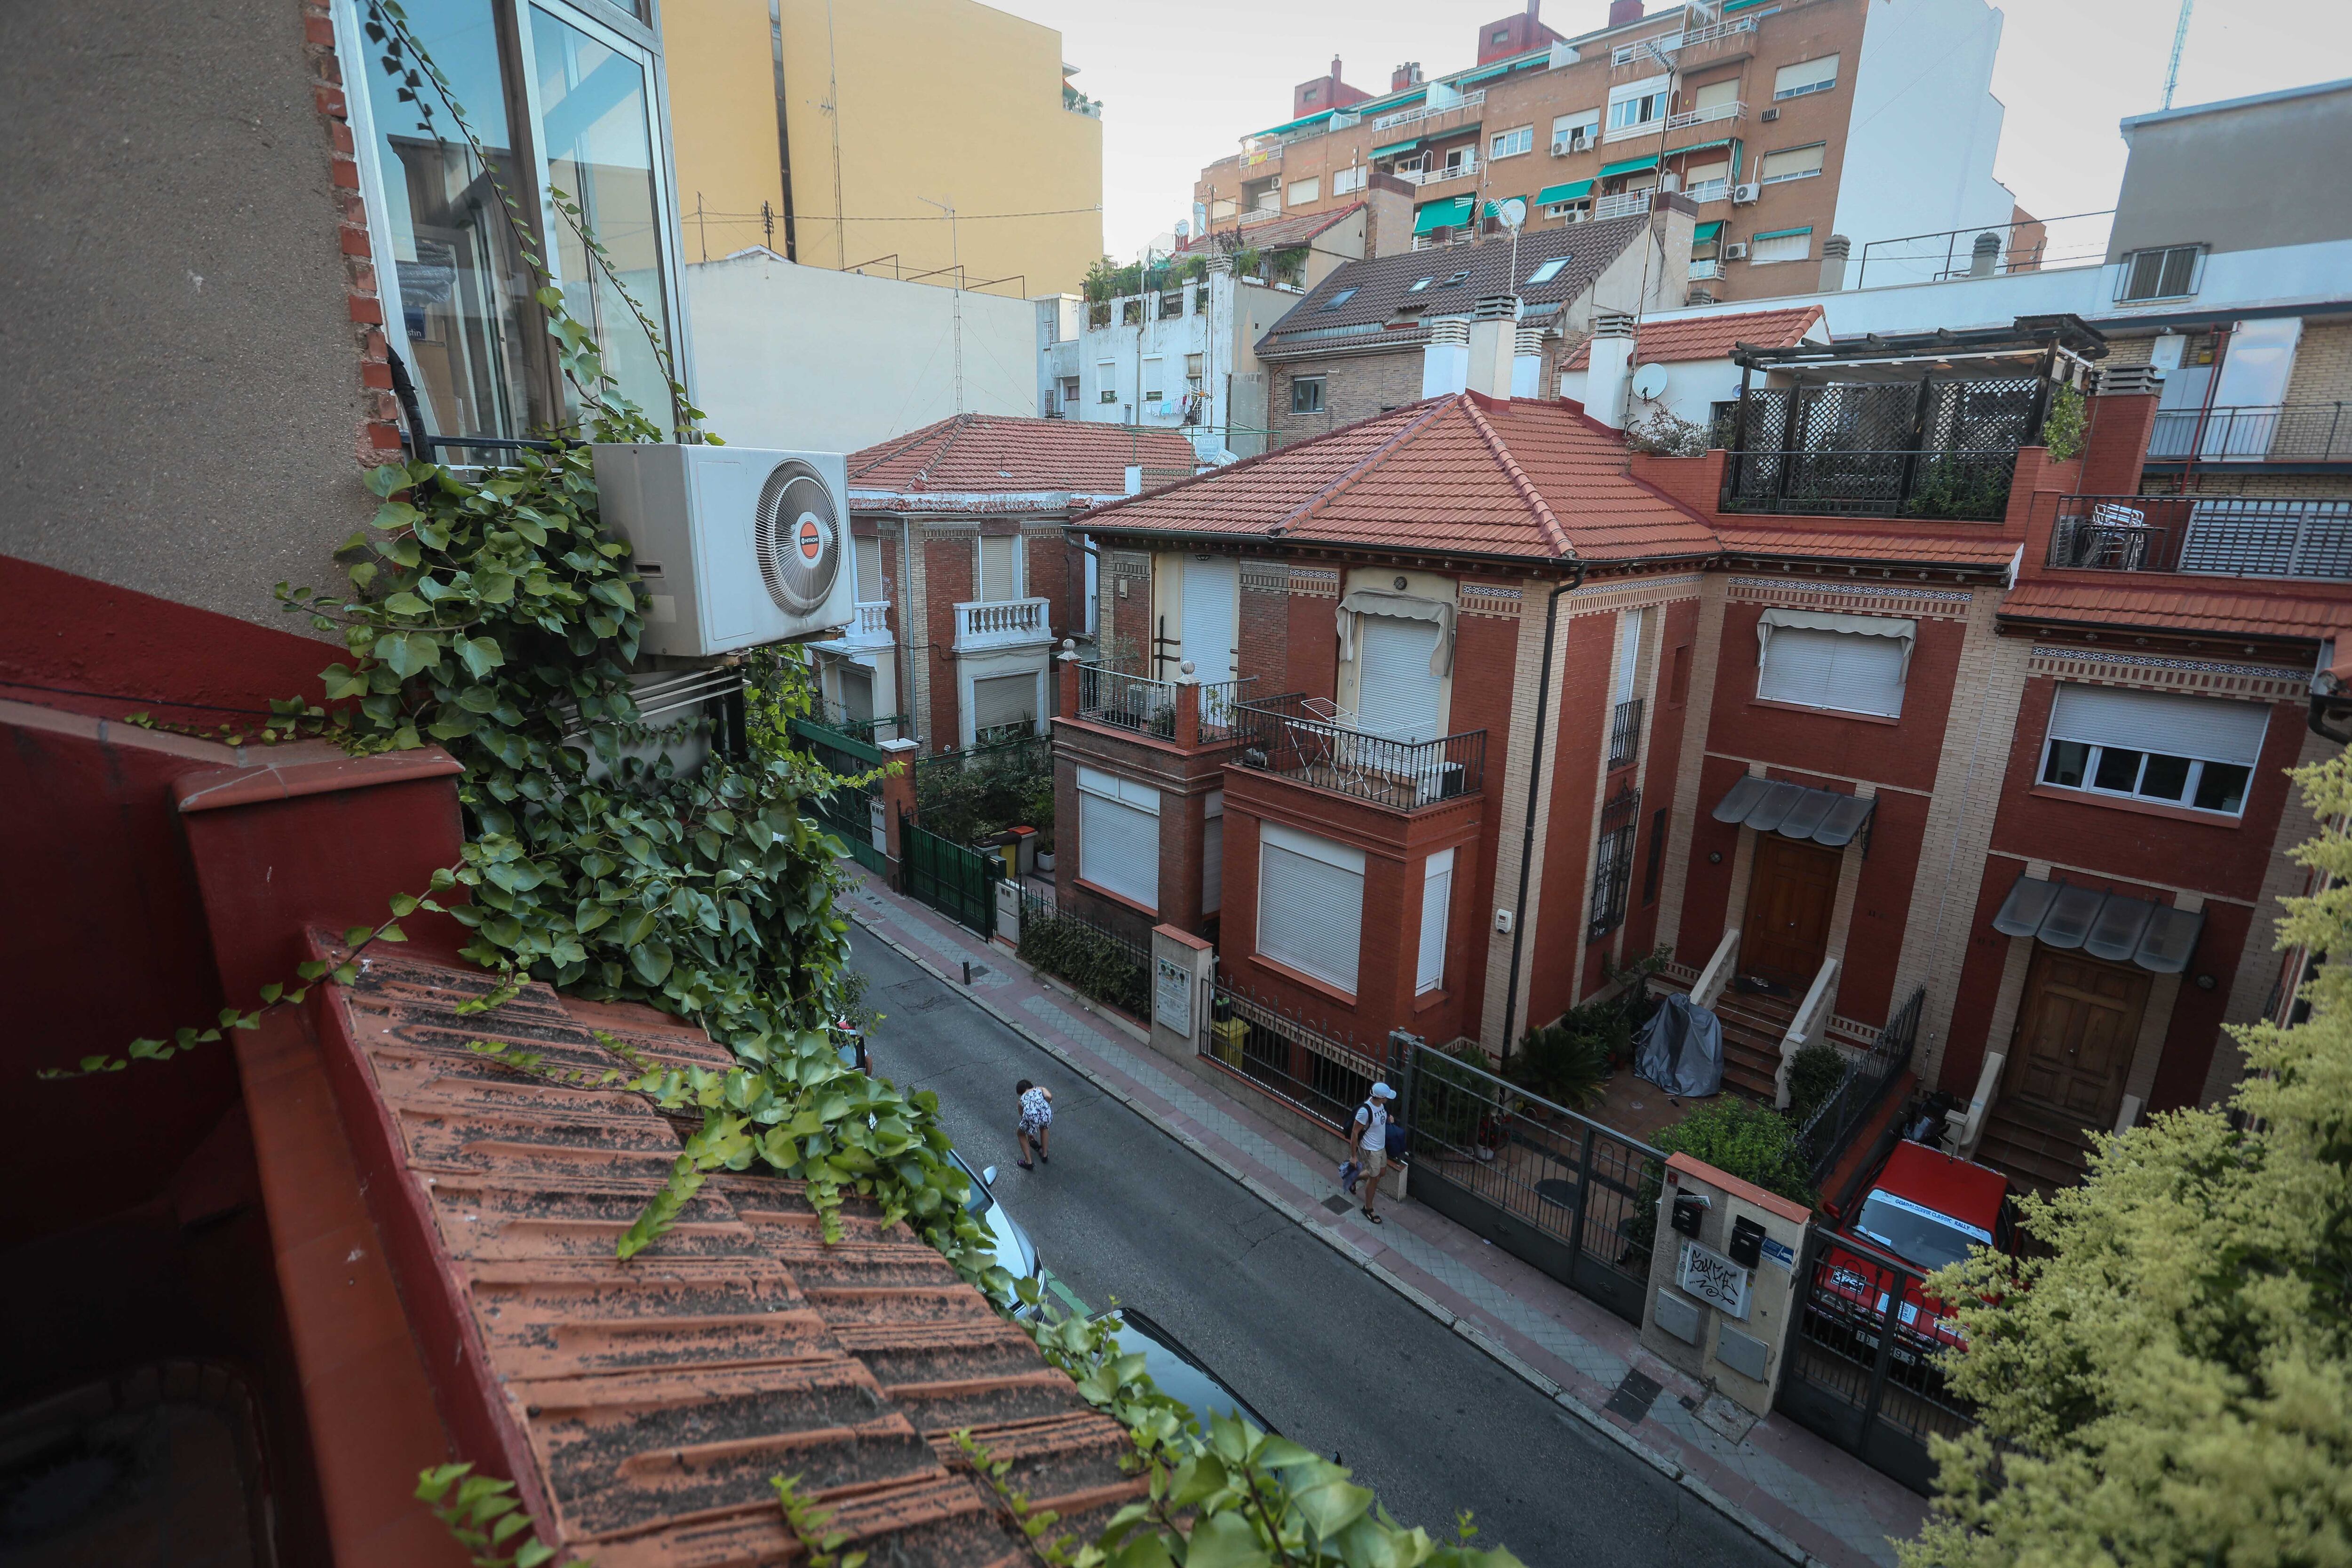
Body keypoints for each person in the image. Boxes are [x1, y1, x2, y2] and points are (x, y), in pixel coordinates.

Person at [1350, 1082, 1398, 1224]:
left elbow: (1382, 1118)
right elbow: (1355, 1133)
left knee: (1381, 1172)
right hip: (1371, 1150)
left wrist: (1390, 1119)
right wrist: (1354, 1156)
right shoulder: (1365, 1111)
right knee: (1375, 1178)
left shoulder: (1382, 1106)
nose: (1388, 1099)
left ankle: (1354, 1179)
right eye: (1386, 1097)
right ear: (1381, 1097)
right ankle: (1368, 1208)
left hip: (1381, 1147)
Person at [1015, 1078, 1053, 1170]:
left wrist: (1030, 1133)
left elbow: (1023, 1116)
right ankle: (1044, 1155)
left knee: (1020, 1133)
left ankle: (1029, 1162)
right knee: (1044, 1127)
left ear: (1019, 1092)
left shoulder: (1021, 1100)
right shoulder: (1040, 1089)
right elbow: (1049, 1096)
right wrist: (1043, 1105)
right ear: (1031, 1086)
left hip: (1031, 1116)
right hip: (1046, 1112)